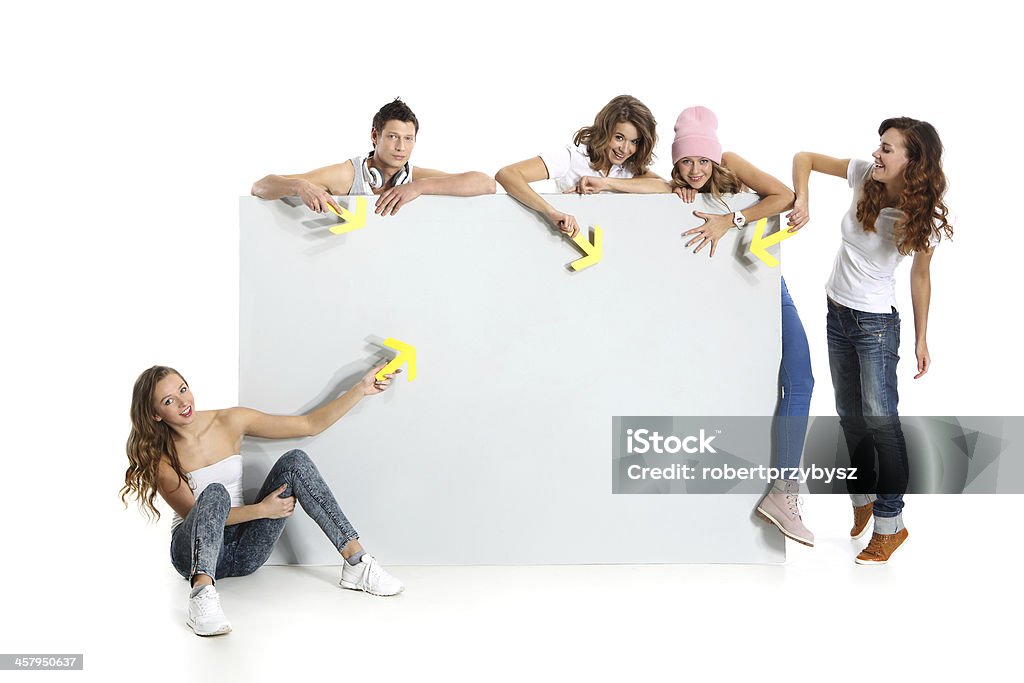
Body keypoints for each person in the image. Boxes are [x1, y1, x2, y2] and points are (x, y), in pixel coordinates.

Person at [121, 362, 404, 637]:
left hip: (246, 551)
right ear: (156, 414)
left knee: (295, 461)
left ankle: (356, 562)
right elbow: (197, 514)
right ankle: (201, 595)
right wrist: (261, 510)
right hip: (194, 555)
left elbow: (308, 425)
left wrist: (360, 389)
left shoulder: (229, 420)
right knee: (215, 492)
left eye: (183, 389)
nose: (183, 402)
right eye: (169, 401)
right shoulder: (159, 457)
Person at [790, 117, 953, 564]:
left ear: (912, 161)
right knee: (849, 414)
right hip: (836, 313)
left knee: (882, 422)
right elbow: (804, 157)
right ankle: (861, 497)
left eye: (887, 149)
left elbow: (921, 277)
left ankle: (890, 523)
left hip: (876, 326)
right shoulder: (865, 174)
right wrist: (803, 198)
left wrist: (922, 338)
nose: (877, 154)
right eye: (878, 146)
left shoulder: (926, 214)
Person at [668, 106, 813, 547]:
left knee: (801, 379)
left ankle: (783, 492)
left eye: (702, 161)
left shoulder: (730, 163)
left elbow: (783, 195)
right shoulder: (675, 190)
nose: (696, 170)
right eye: (686, 161)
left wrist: (728, 220)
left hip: (769, 284)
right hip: (727, 300)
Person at [251, 98, 495, 216]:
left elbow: (486, 183)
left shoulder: (415, 178)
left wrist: (419, 187)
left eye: (408, 139)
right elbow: (260, 186)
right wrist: (300, 186)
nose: (401, 147)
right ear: (374, 136)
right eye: (392, 137)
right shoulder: (346, 175)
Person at [495, 95, 667, 239]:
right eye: (619, 137)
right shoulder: (572, 158)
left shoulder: (627, 167)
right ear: (605, 131)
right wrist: (551, 212)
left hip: (608, 251)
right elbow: (508, 174)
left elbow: (664, 186)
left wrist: (606, 183)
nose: (625, 149)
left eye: (634, 142)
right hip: (567, 244)